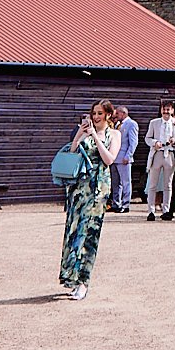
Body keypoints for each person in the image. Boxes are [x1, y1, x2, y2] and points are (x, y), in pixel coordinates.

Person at [59, 100, 119, 299]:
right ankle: (71, 278)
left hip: (97, 189)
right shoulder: (84, 131)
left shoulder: (115, 134)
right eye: (94, 113)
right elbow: (71, 153)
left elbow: (109, 159)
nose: (96, 117)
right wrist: (79, 135)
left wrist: (95, 136)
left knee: (89, 234)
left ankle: (84, 281)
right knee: (74, 231)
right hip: (78, 188)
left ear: (108, 115)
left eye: (100, 113)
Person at [144, 101, 175, 222]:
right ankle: (151, 210)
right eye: (164, 110)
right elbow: (147, 138)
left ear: (172, 111)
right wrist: (154, 143)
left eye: (168, 110)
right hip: (157, 153)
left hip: (170, 154)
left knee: (168, 184)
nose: (166, 112)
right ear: (161, 110)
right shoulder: (154, 123)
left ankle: (166, 210)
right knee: (153, 184)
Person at [107, 105, 137, 213]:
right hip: (115, 157)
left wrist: (128, 156)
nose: (116, 116)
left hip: (124, 157)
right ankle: (116, 203)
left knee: (126, 182)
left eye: (117, 114)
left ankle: (126, 204)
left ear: (123, 113)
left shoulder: (131, 124)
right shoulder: (117, 125)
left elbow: (133, 142)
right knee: (116, 182)